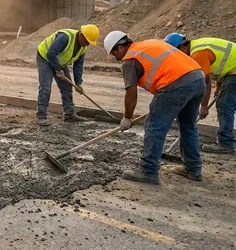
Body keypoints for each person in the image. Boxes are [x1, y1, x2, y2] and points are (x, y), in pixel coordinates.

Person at [105, 31, 206, 184]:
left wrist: (127, 117)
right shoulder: (148, 44)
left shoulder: (129, 60)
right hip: (198, 78)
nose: (116, 58)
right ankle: (193, 169)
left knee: (154, 126)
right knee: (188, 126)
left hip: (175, 84)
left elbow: (131, 93)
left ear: (120, 48)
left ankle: (148, 171)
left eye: (114, 54)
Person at [165, 33, 235, 154]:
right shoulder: (197, 47)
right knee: (229, 103)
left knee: (224, 105)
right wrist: (219, 86)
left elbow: (206, 82)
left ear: (182, 48)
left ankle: (226, 143)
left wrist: (203, 106)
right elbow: (223, 64)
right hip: (231, 72)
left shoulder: (198, 54)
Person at [35, 24, 99, 126]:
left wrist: (78, 83)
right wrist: (58, 69)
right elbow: (50, 53)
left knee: (67, 87)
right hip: (45, 58)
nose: (87, 44)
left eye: (89, 43)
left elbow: (78, 65)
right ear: (81, 35)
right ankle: (41, 116)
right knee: (46, 87)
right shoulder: (65, 37)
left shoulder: (83, 48)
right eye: (87, 41)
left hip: (60, 62)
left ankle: (69, 114)